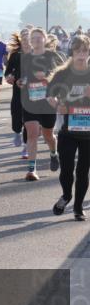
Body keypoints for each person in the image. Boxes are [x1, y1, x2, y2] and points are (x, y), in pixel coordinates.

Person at [48, 35, 90, 219]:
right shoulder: (62, 74)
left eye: (85, 50)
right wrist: (58, 105)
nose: (82, 54)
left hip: (88, 132)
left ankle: (78, 207)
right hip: (68, 131)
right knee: (66, 170)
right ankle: (66, 195)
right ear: (72, 52)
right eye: (78, 50)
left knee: (83, 171)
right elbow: (50, 95)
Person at [19, 28, 66, 181]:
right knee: (32, 134)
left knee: (48, 136)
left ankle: (53, 152)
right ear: (30, 41)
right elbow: (24, 77)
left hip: (47, 102)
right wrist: (21, 82)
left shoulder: (52, 56)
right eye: (34, 38)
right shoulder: (25, 58)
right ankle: (31, 170)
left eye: (40, 38)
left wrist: (46, 78)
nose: (37, 40)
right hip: (30, 101)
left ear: (45, 39)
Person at [5, 28, 32, 154]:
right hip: (17, 91)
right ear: (21, 39)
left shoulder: (37, 54)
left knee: (29, 119)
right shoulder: (15, 55)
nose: (26, 40)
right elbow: (8, 71)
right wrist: (9, 77)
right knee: (16, 115)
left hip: (32, 92)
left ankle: (26, 146)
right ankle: (17, 132)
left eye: (29, 37)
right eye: (24, 37)